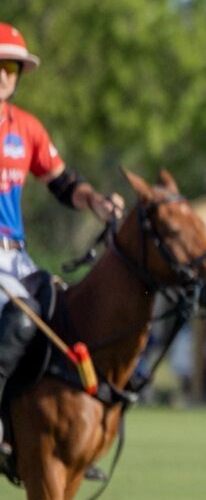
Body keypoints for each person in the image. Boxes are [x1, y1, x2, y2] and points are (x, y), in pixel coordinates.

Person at [0, 23, 126, 420]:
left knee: (63, 314)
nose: (4, 76)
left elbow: (63, 183)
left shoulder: (26, 128)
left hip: (15, 256)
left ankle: (40, 426)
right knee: (22, 314)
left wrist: (97, 202)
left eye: (11, 68)